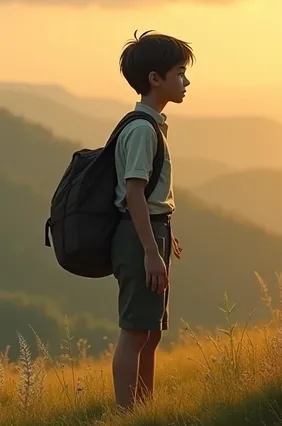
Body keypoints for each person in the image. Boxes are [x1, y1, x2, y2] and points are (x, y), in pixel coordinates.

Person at [111, 29, 193, 411]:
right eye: (179, 72)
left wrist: (163, 235)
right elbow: (133, 194)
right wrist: (149, 249)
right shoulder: (143, 129)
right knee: (134, 332)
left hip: (152, 231)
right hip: (138, 236)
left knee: (150, 332)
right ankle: (127, 414)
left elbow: (150, 196)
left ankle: (145, 409)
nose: (186, 81)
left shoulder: (153, 124)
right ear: (154, 79)